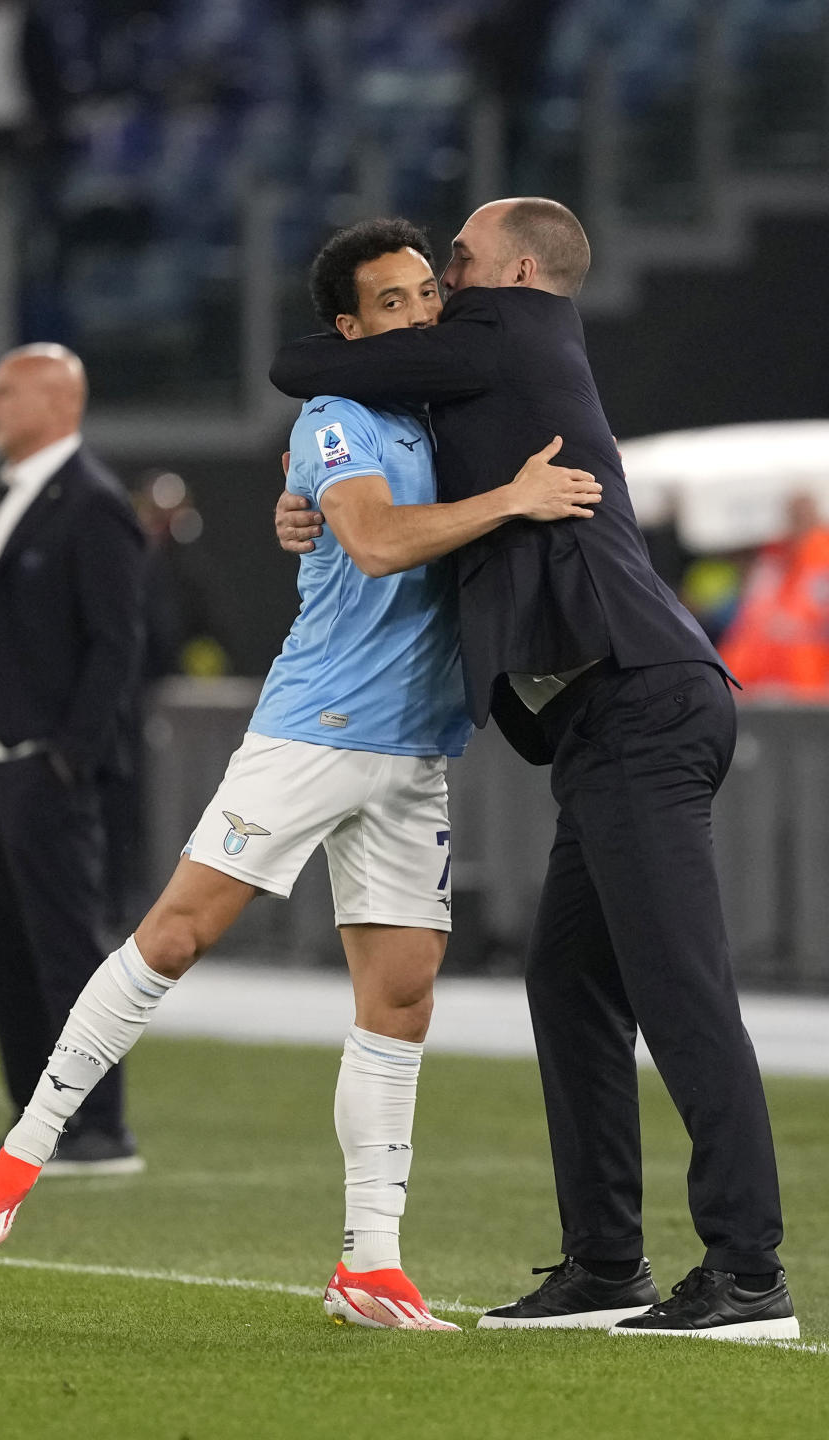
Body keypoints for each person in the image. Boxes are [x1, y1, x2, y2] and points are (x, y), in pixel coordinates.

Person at [0, 220, 599, 1332]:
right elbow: (381, 542)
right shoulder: (337, 415)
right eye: (390, 303)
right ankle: (24, 1153)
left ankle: (370, 1263)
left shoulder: (451, 413)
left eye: (424, 295)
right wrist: (506, 502)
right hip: (317, 728)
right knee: (176, 936)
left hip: (416, 747)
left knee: (401, 1000)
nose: (420, 313)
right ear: (349, 330)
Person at [270, 197, 799, 1341]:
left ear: (512, 271)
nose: (443, 283)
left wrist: (329, 419)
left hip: (640, 703)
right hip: (609, 717)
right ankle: (607, 1265)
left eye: (455, 263)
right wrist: (307, 490)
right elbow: (381, 457)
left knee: (682, 991)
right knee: (570, 988)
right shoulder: (495, 366)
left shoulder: (508, 331)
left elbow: (296, 358)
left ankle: (749, 1273)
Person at [0, 344, 146, 1177]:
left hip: (40, 766)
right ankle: (34, 1122)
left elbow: (116, 643)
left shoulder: (90, 503)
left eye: (4, 393)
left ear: (58, 401)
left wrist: (67, 754)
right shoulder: (15, 497)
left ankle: (97, 1128)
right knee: (8, 955)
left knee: (63, 949)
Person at [718, 491, 829, 700]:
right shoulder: (773, 559)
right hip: (760, 678)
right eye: (794, 517)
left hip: (811, 681)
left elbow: (815, 615)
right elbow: (750, 616)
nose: (799, 524)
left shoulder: (822, 556)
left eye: (804, 517)